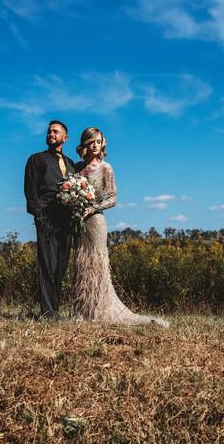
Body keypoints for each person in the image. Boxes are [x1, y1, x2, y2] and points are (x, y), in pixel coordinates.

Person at [71, 127, 170, 328]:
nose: (96, 145)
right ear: (85, 144)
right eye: (92, 142)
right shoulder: (77, 168)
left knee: (96, 263)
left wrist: (93, 208)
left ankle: (99, 309)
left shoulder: (106, 168)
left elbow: (113, 198)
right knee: (81, 262)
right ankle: (84, 310)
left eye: (99, 141)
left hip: (96, 221)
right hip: (79, 222)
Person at [23, 120, 77, 318]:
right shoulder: (36, 159)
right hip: (46, 218)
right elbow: (30, 189)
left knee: (61, 265)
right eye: (49, 132)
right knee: (47, 264)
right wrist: (39, 214)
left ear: (65, 137)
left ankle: (55, 309)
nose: (51, 134)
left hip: (67, 221)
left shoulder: (71, 164)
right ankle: (47, 313)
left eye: (55, 132)